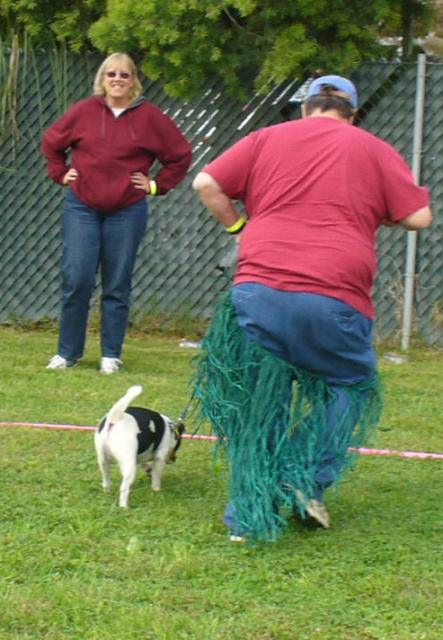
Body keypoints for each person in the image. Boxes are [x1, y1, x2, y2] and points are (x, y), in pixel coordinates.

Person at [192, 75, 432, 542]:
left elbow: (206, 183)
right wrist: (374, 210)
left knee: (262, 399)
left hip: (258, 286)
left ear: (305, 108)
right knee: (349, 384)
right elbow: (418, 217)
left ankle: (246, 519)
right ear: (353, 113)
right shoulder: (374, 149)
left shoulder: (265, 137)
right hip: (334, 291)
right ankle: (302, 475)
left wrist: (240, 228)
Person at [42, 52, 192, 374]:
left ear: (134, 80)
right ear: (102, 78)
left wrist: (155, 186)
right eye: (111, 74)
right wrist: (60, 172)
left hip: (126, 211)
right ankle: (68, 353)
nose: (118, 80)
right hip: (82, 208)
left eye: (125, 75)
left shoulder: (150, 117)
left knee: (117, 284)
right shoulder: (83, 111)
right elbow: (52, 143)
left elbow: (180, 156)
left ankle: (111, 354)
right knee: (77, 280)